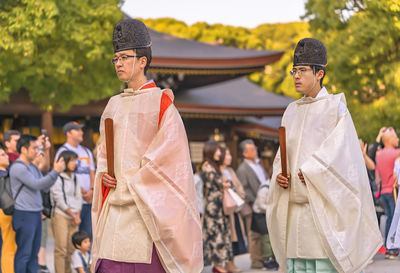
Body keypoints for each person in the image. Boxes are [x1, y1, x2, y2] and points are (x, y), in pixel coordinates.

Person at [92, 19, 202, 273]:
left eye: (124, 57)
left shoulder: (161, 104)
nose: (118, 63)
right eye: (115, 58)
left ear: (143, 61)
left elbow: (169, 160)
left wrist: (133, 180)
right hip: (114, 212)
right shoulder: (113, 105)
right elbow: (103, 154)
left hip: (145, 212)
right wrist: (105, 174)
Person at [266, 38, 381, 273]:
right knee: (296, 267)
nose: (296, 76)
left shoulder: (335, 107)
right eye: (294, 71)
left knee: (322, 266)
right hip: (294, 210)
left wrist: (311, 172)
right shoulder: (291, 111)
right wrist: (280, 175)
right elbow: (282, 156)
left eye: (303, 70)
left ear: (319, 74)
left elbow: (343, 155)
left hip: (322, 212)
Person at [10, 135, 65, 273]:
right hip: (24, 214)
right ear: (23, 149)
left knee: (34, 253)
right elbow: (37, 184)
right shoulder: (18, 167)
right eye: (34, 148)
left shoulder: (32, 167)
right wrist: (56, 171)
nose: (36, 151)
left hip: (35, 213)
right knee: (24, 253)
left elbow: (44, 187)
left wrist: (54, 173)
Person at [55, 122, 95, 240]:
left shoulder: (87, 151)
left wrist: (92, 190)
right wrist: (83, 192)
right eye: (77, 130)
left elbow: (92, 172)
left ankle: (85, 259)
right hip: (72, 203)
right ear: (68, 133)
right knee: (74, 238)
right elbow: (61, 174)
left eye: (81, 130)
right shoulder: (62, 151)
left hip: (88, 201)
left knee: (87, 235)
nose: (81, 132)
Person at [236, 139, 270, 269]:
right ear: (245, 153)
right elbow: (243, 189)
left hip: (264, 204)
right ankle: (256, 261)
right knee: (254, 235)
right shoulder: (242, 169)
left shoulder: (259, 165)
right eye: (252, 150)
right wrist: (255, 199)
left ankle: (265, 259)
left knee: (264, 233)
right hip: (252, 205)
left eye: (255, 149)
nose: (256, 151)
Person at [201, 141, 232, 273]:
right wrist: (224, 183)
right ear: (211, 151)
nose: (220, 153)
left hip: (219, 206)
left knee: (222, 234)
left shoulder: (214, 166)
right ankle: (217, 265)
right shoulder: (207, 166)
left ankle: (220, 265)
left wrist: (225, 183)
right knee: (215, 235)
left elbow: (227, 182)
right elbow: (221, 182)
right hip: (213, 208)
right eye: (218, 150)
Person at [51, 150, 82, 273]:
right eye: (72, 160)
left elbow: (78, 197)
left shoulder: (75, 178)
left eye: (75, 160)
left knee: (71, 249)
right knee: (61, 249)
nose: (74, 163)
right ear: (64, 161)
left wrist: (77, 215)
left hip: (74, 216)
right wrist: (73, 215)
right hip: (61, 215)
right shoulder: (57, 177)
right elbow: (59, 200)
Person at [219, 146, 246, 273]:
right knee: (229, 237)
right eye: (227, 155)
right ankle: (228, 263)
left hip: (235, 208)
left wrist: (240, 195)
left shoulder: (231, 170)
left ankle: (232, 263)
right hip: (225, 210)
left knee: (237, 236)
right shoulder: (217, 171)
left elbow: (239, 186)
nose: (230, 157)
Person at [375, 127, 400, 258]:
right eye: (396, 137)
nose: (398, 140)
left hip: (384, 191)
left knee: (390, 218)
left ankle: (389, 247)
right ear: (390, 139)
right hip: (393, 192)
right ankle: (392, 248)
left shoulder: (379, 155)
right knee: (394, 219)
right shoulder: (396, 153)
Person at [0, 146, 17, 273]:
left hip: (7, 211)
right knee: (9, 246)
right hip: (5, 212)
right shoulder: (3, 175)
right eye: (2, 155)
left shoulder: (8, 173)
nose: (6, 156)